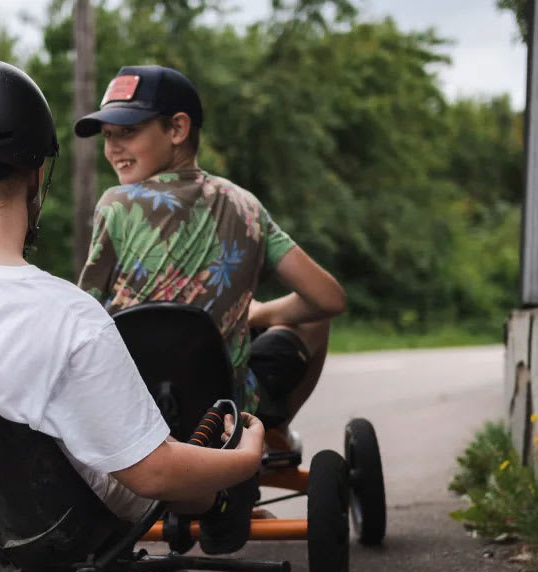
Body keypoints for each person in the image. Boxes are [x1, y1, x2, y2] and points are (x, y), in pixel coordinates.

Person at [0, 59, 264, 548]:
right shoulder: (72, 316)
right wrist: (245, 461)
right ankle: (219, 505)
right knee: (148, 462)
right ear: (37, 175)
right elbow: (154, 475)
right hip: (50, 528)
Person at [75, 65, 347, 452]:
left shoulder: (115, 205)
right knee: (316, 323)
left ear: (177, 129)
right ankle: (275, 434)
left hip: (133, 405)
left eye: (128, 132)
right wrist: (262, 314)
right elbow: (330, 300)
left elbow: (86, 311)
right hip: (223, 410)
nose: (112, 148)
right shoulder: (245, 205)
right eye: (107, 136)